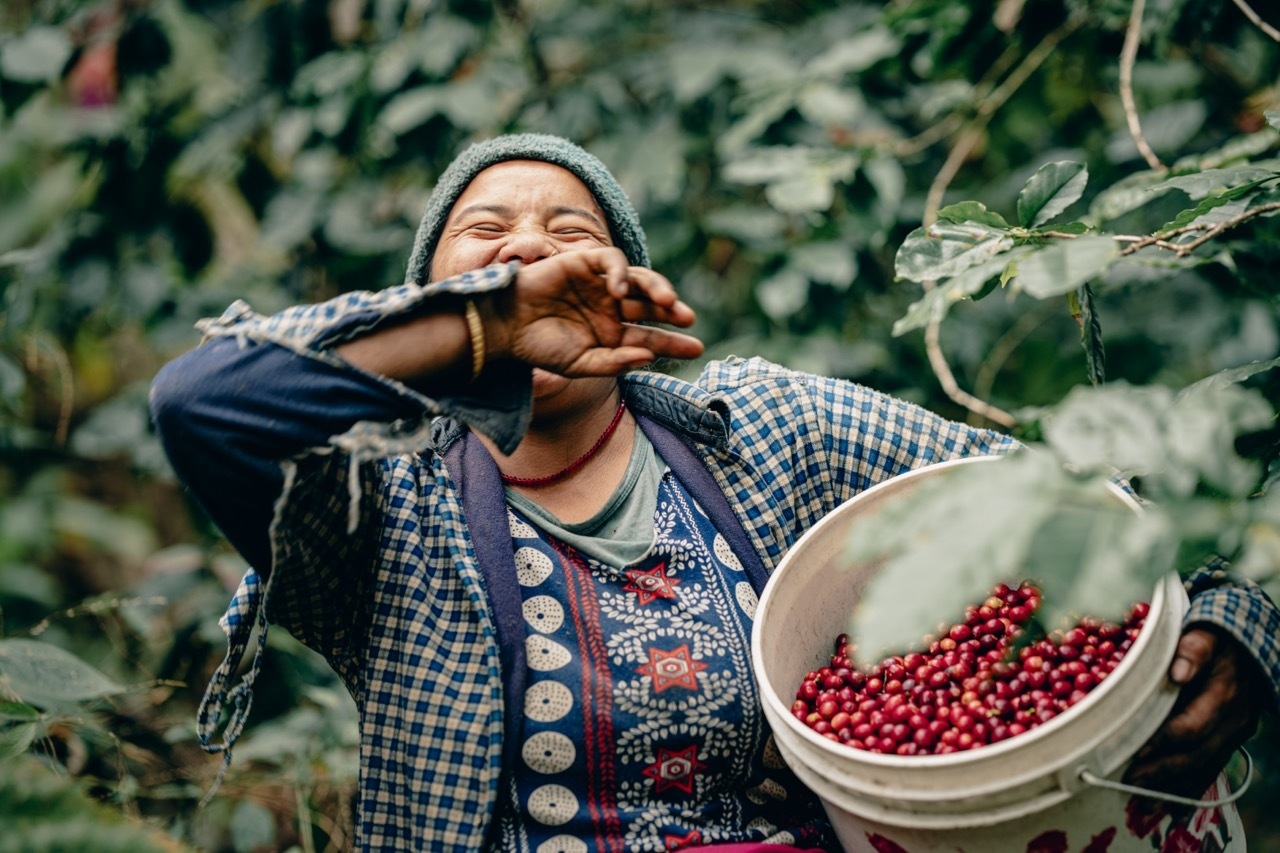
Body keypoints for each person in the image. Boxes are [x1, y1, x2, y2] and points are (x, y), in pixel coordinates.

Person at [150, 133, 1278, 852]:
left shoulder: (762, 424)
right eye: (486, 242)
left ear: (629, 292)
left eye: (570, 237)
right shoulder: (384, 512)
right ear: (428, 317)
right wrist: (492, 324)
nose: (534, 252)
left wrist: (1231, 617)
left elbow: (1063, 503)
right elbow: (208, 402)